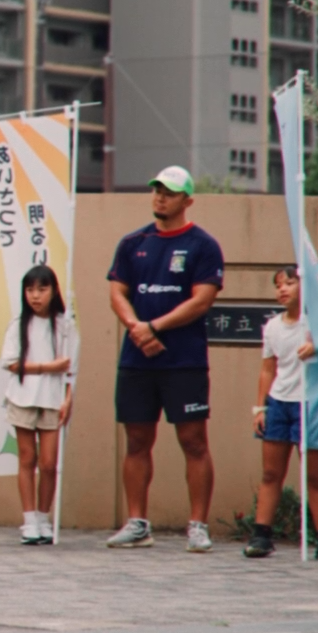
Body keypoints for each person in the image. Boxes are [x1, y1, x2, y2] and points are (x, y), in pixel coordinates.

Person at [105, 166, 224, 551]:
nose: (160, 197)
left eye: (170, 192)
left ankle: (198, 526)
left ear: (187, 200)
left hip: (184, 361)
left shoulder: (203, 245)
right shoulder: (132, 243)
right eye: (157, 189)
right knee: (137, 440)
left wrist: (154, 327)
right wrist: (137, 328)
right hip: (137, 360)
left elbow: (202, 300)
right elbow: (117, 293)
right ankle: (137, 523)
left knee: (193, 441)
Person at [247, 266, 318, 562]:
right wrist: (260, 407)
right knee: (271, 473)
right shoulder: (272, 326)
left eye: (289, 283)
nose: (282, 289)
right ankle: (261, 536)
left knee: (315, 476)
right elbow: (268, 369)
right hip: (279, 402)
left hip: (312, 403)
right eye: (278, 285)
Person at [0, 264, 76, 546]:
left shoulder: (65, 326)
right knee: (26, 458)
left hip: (52, 400)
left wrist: (68, 398)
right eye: (30, 289)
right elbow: (11, 362)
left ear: (54, 291)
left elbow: (71, 369)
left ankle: (44, 518)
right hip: (23, 397)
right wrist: (47, 367)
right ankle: (29, 520)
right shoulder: (18, 323)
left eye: (42, 289)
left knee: (48, 463)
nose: (35, 295)